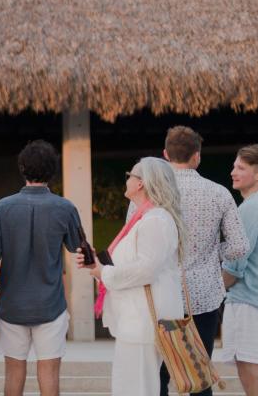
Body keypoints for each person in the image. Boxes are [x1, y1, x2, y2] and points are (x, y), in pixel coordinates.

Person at [133, 127, 248, 396]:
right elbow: (240, 246)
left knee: (157, 375)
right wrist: (211, 252)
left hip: (160, 297)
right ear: (197, 156)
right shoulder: (219, 193)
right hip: (204, 297)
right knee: (199, 373)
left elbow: (133, 242)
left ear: (164, 155)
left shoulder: (148, 193)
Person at [0, 140, 82, 396]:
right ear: (52, 170)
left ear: (22, 168)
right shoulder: (65, 208)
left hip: (12, 306)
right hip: (51, 306)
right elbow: (78, 247)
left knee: (13, 373)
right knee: (49, 374)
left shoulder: (3, 208)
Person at [77, 157, 186, 396]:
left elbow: (146, 269)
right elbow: (130, 267)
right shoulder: (144, 219)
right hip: (136, 320)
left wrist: (103, 272)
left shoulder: (155, 220)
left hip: (145, 321)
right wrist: (96, 267)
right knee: (130, 387)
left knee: (137, 388)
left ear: (141, 184)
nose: (127, 179)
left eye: (131, 175)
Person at [221, 145, 258, 396]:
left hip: (248, 302)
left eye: (241, 168)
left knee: (249, 369)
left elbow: (235, 267)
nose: (233, 172)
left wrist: (211, 293)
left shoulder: (248, 210)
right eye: (235, 166)